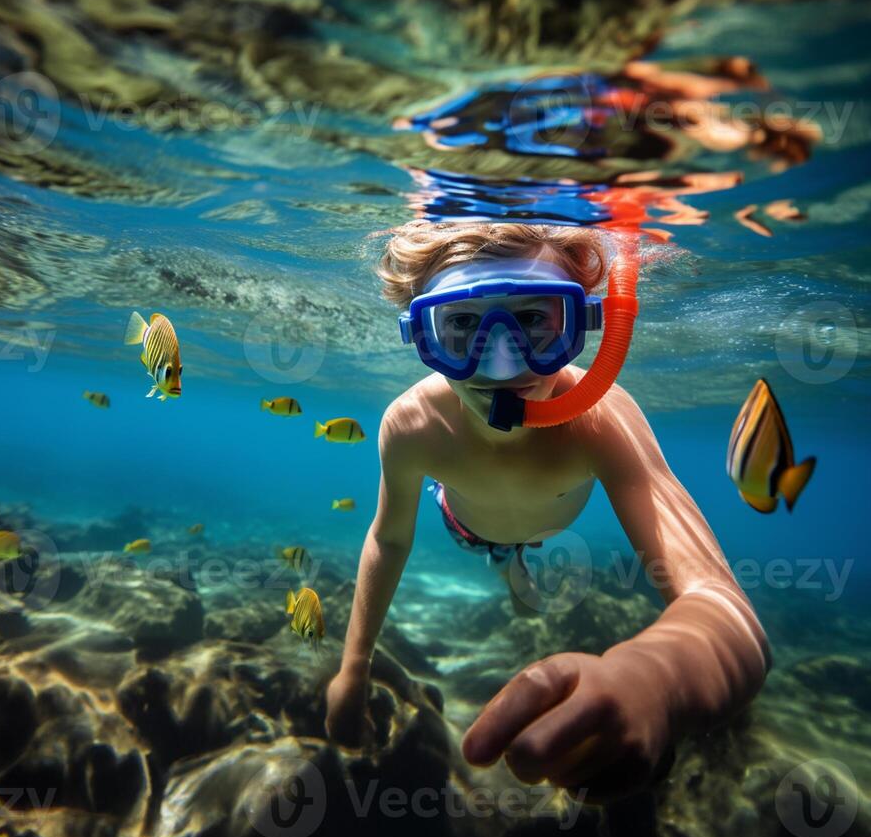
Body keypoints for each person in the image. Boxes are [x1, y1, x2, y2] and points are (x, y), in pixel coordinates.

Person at [323, 221, 768, 803]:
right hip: (467, 527)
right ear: (421, 335)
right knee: (498, 552)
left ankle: (512, 565)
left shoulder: (601, 419)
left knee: (514, 554)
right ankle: (508, 565)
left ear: (580, 324)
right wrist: (352, 668)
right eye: (461, 326)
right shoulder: (411, 426)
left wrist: (657, 676)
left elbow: (723, 605)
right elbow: (389, 540)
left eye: (534, 320)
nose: (503, 364)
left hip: (543, 525)